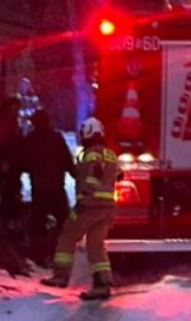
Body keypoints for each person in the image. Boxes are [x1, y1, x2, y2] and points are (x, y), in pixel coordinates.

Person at [41, 117, 120, 300]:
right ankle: (103, 284)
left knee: (68, 234)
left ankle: (60, 276)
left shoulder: (91, 155)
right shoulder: (111, 154)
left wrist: (82, 202)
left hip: (89, 205)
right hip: (107, 208)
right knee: (95, 245)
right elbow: (119, 174)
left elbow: (91, 178)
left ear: (87, 133)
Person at [23, 109, 73, 264]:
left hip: (39, 189)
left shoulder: (30, 140)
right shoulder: (56, 139)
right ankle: (63, 254)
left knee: (38, 224)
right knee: (65, 223)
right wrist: (78, 175)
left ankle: (39, 255)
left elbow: (24, 163)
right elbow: (67, 160)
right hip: (56, 187)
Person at [0, 96, 25, 224]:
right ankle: (6, 218)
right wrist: (4, 161)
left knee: (12, 189)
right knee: (7, 191)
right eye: (14, 109)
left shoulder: (11, 121)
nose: (16, 112)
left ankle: (11, 218)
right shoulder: (0, 122)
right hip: (5, 162)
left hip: (12, 162)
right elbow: (0, 144)